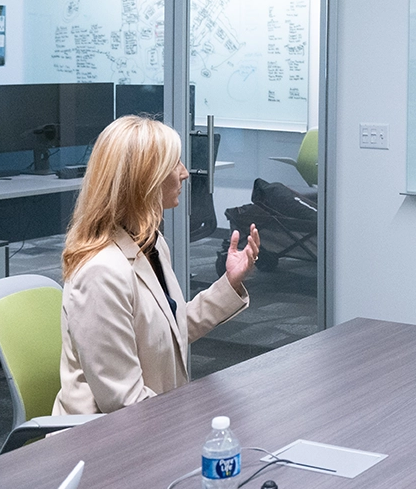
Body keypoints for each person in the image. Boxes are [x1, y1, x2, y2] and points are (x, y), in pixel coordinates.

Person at [54, 115, 261, 415]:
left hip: (151, 420)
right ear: (144, 180)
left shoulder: (148, 243)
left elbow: (168, 331)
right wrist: (192, 416)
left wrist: (229, 283)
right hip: (104, 442)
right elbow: (123, 402)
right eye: (174, 164)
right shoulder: (101, 273)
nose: (185, 173)